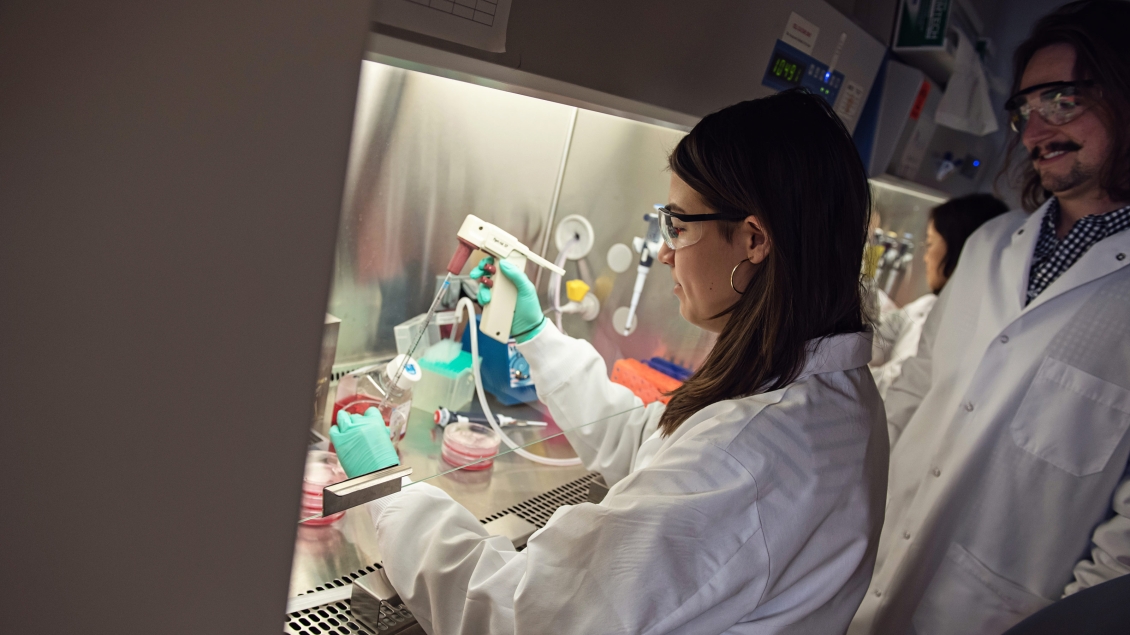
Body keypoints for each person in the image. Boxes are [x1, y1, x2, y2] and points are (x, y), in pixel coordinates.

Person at [333, 89, 889, 634]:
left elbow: (519, 616)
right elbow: (654, 445)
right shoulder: (830, 396)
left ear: (753, 240)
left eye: (679, 224)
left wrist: (387, 489)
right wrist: (534, 334)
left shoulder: (748, 456)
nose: (666, 250)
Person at [850, 2, 1130, 634]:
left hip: (997, 617)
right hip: (870, 565)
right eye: (1025, 110)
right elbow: (918, 389)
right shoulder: (991, 246)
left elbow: (1126, 544)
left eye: (1062, 100)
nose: (1035, 131)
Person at [870, 194, 1009, 399]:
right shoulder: (928, 305)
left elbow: (898, 383)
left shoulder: (957, 321)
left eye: (930, 244)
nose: (926, 257)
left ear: (959, 250)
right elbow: (878, 339)